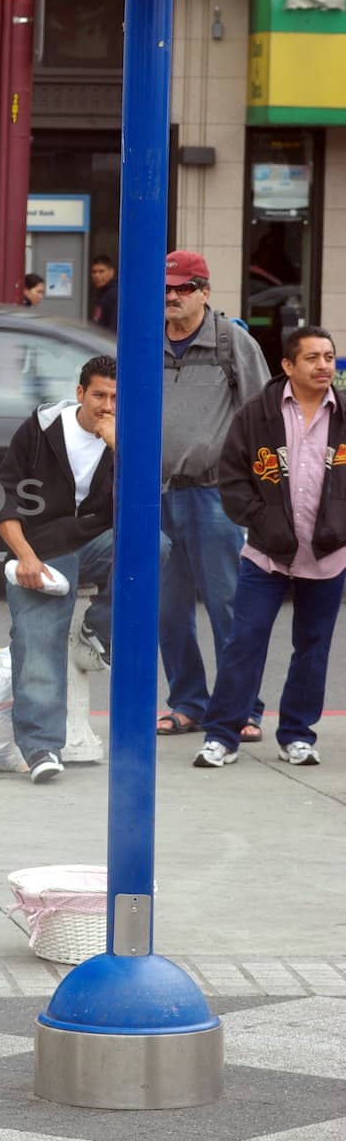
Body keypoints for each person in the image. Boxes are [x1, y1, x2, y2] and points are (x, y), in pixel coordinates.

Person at [193, 328, 346, 770]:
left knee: (313, 647)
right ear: (288, 366)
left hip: (328, 556)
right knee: (245, 641)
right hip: (266, 554)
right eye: (313, 358)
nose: (323, 366)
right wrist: (261, 521)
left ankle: (297, 734)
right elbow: (233, 476)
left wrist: (339, 527)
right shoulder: (256, 416)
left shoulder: (343, 414)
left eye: (329, 357)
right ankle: (222, 735)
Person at [158, 251, 270, 739]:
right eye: (166, 289)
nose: (172, 298)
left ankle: (243, 706)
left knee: (227, 605)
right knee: (167, 607)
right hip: (155, 496)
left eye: (183, 288)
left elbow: (263, 419)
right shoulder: (144, 342)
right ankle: (188, 703)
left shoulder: (233, 344)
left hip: (214, 497)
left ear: (204, 291)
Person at [0, 355, 117, 784]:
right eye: (99, 395)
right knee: (37, 636)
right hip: (42, 547)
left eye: (116, 398)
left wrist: (120, 447)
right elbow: (3, 495)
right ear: (80, 393)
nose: (107, 406)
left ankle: (97, 632)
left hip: (98, 541)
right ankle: (41, 745)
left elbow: (142, 513)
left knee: (154, 548)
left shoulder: (125, 436)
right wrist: (24, 555)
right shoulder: (42, 429)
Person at [90, 254, 118, 331]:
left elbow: (114, 327)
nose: (97, 276)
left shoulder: (114, 294)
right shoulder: (102, 293)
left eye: (101, 271)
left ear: (111, 272)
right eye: (94, 272)